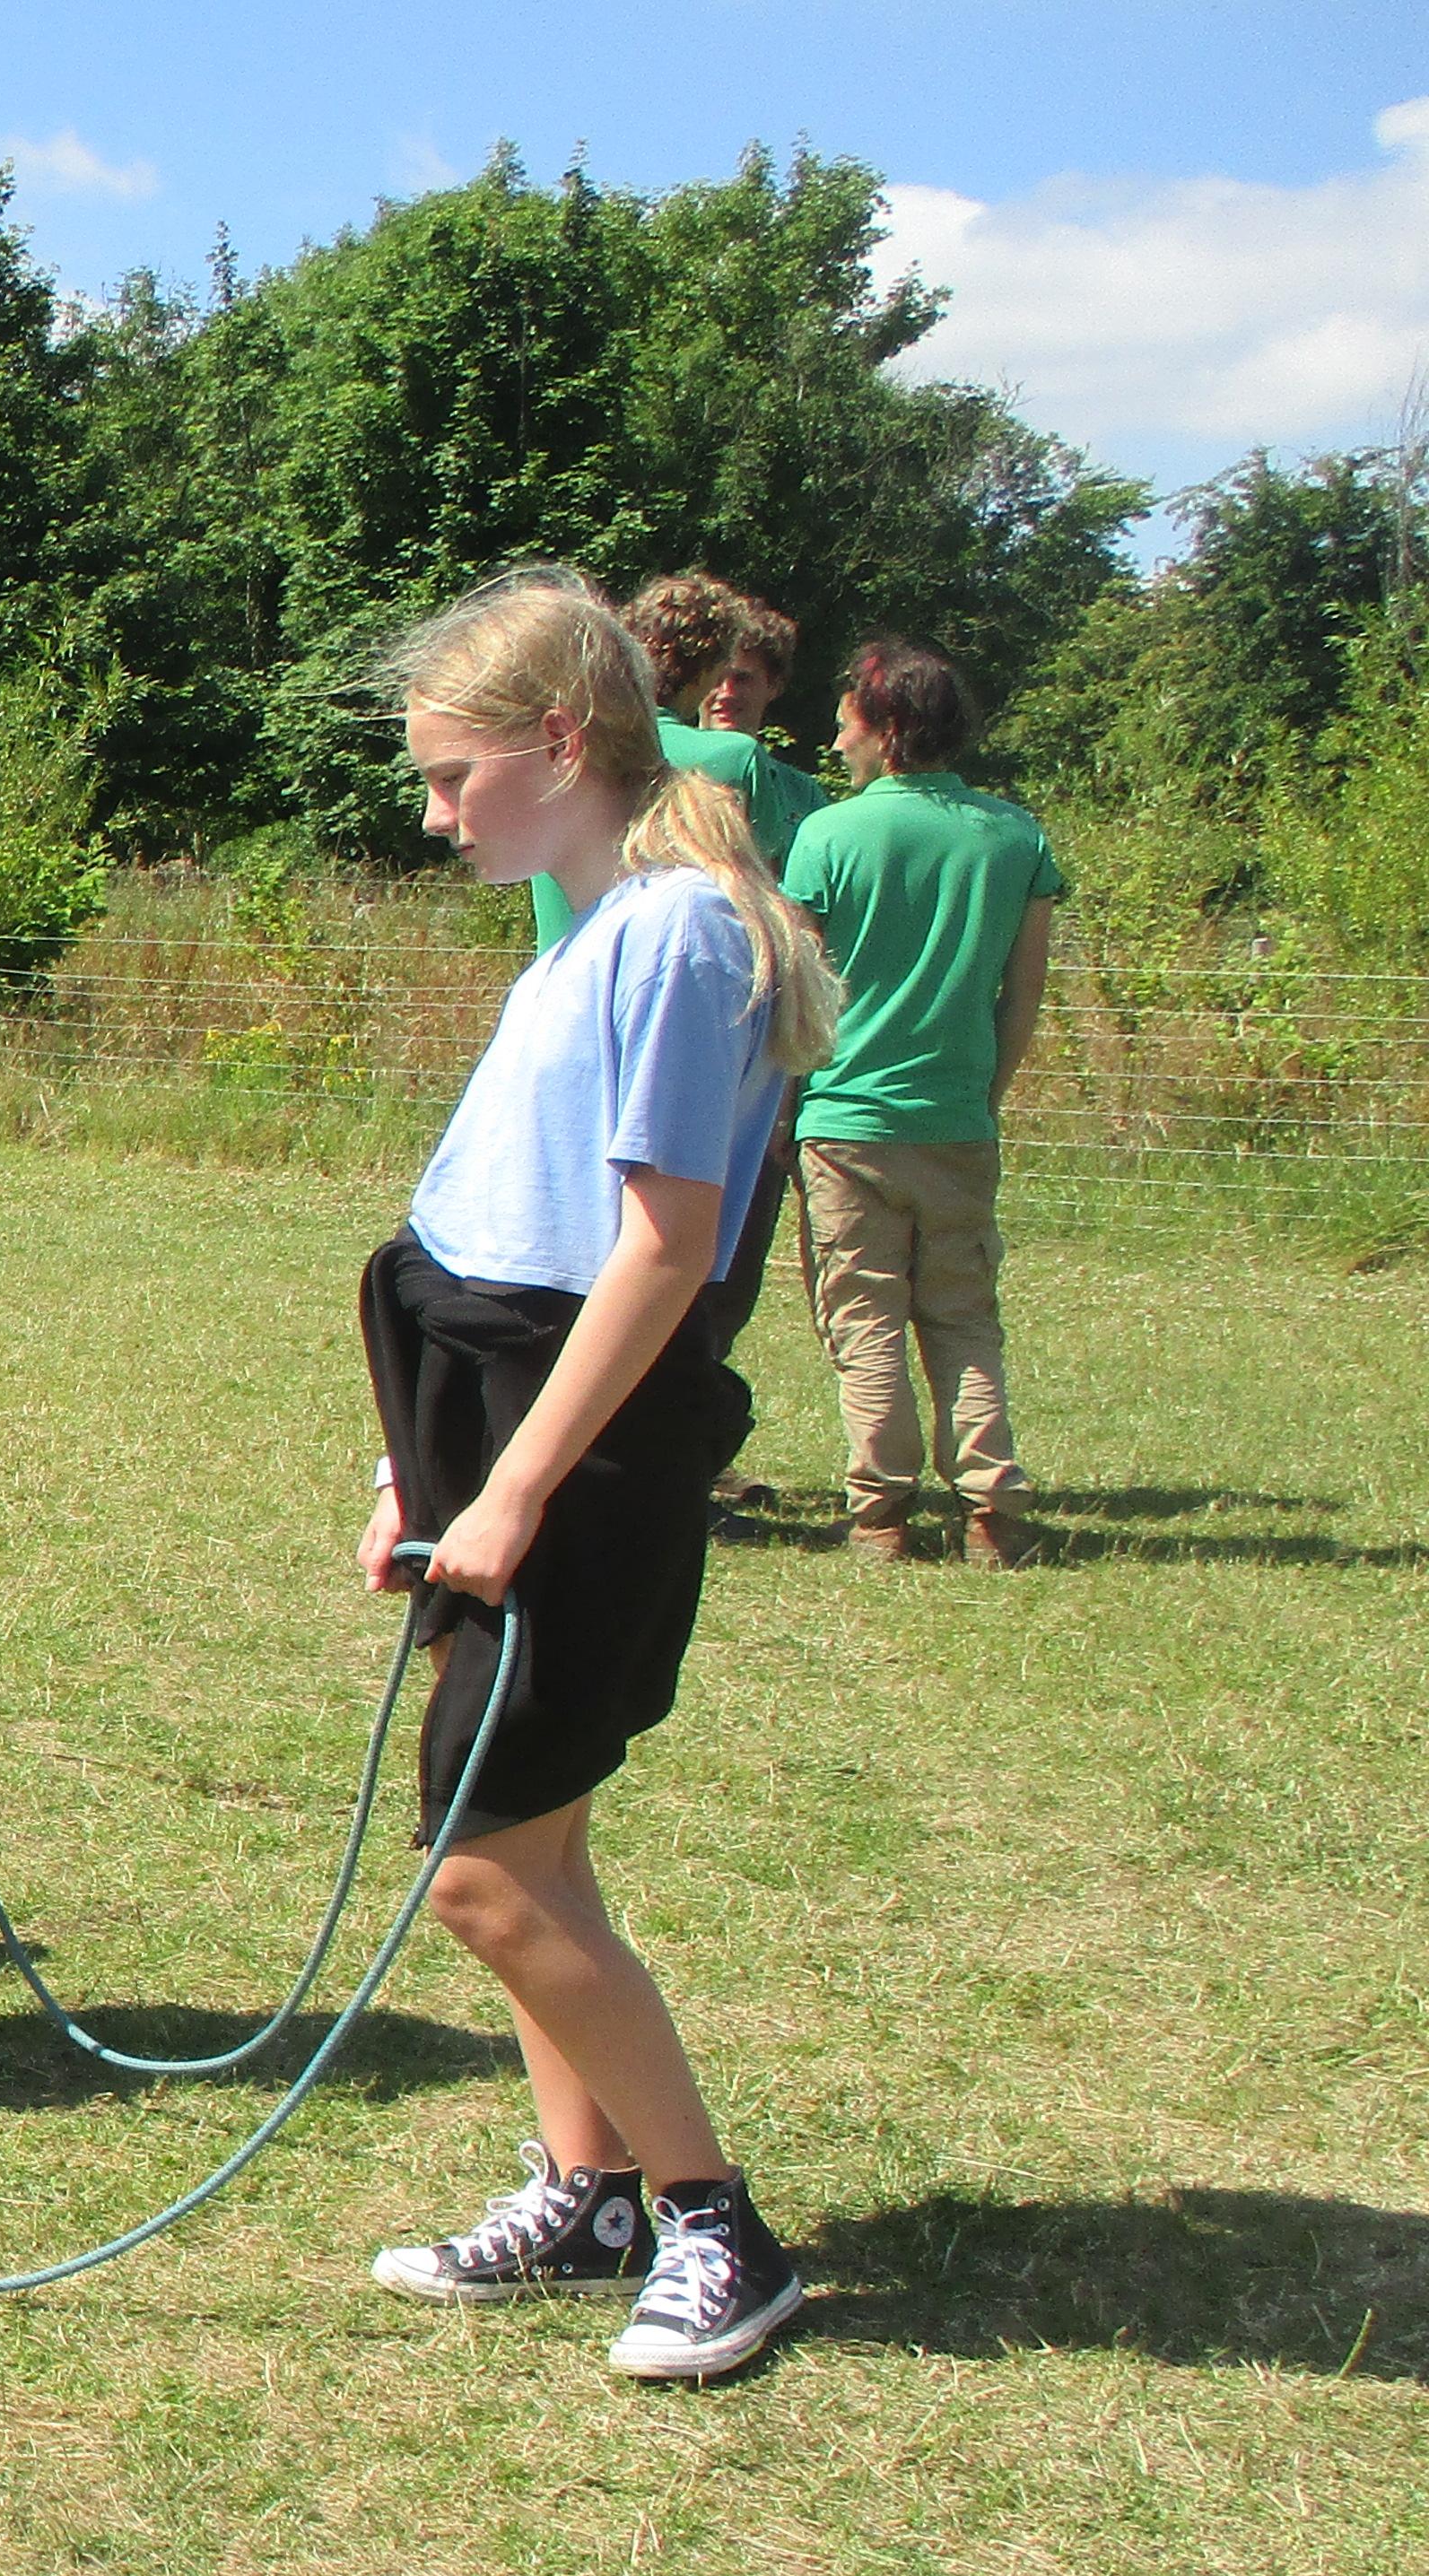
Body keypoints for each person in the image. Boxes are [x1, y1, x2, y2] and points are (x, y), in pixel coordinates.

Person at [355, 569, 837, 2381]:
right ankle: (589, 2192)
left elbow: (657, 1250)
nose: (434, 817)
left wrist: (511, 1489)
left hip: (581, 1454)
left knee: (481, 1871)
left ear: (558, 740)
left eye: (451, 776)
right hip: (501, 1438)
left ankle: (717, 2225)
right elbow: (504, 1215)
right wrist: (417, 1465)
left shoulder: (677, 934)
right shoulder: (590, 931)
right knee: (536, 1850)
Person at [781, 639, 1066, 1569]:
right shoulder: (1016, 837)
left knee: (862, 1318)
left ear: (888, 727)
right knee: (963, 1316)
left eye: (847, 722)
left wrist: (785, 1111)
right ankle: (992, 1511)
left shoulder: (828, 835)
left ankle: (880, 1516)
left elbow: (796, 993)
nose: (837, 738)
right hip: (956, 1123)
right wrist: (984, 1095)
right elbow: (1020, 998)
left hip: (844, 1122)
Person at [527, 575, 826, 1357]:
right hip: (696, 1031)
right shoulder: (732, 758)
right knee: (690, 1273)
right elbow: (772, 894)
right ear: (714, 663)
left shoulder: (565, 752)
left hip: (567, 1023)